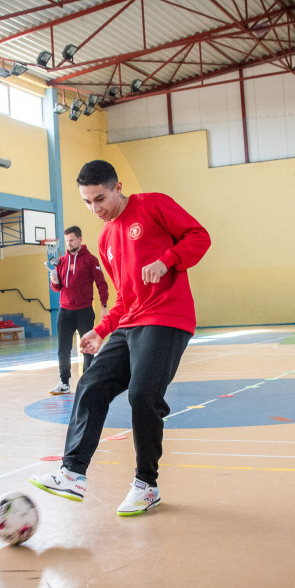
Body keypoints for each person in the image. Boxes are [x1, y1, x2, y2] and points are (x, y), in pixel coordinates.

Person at [30, 160, 210, 517]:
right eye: (87, 202)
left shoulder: (154, 205)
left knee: (142, 394)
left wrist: (168, 259)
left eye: (100, 199)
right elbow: (125, 296)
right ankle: (72, 473)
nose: (95, 209)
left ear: (118, 187)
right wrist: (101, 328)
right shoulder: (107, 238)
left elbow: (199, 236)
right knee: (91, 384)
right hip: (130, 323)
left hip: (167, 318)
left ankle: (147, 486)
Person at [48, 225, 109, 395]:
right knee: (63, 348)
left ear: (80, 240)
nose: (69, 243)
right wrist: (54, 280)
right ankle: (64, 383)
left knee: (87, 347)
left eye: (72, 240)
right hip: (64, 311)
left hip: (84, 311)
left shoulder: (91, 260)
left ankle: (87, 382)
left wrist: (104, 305)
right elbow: (58, 287)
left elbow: (101, 284)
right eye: (67, 241)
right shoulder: (61, 261)